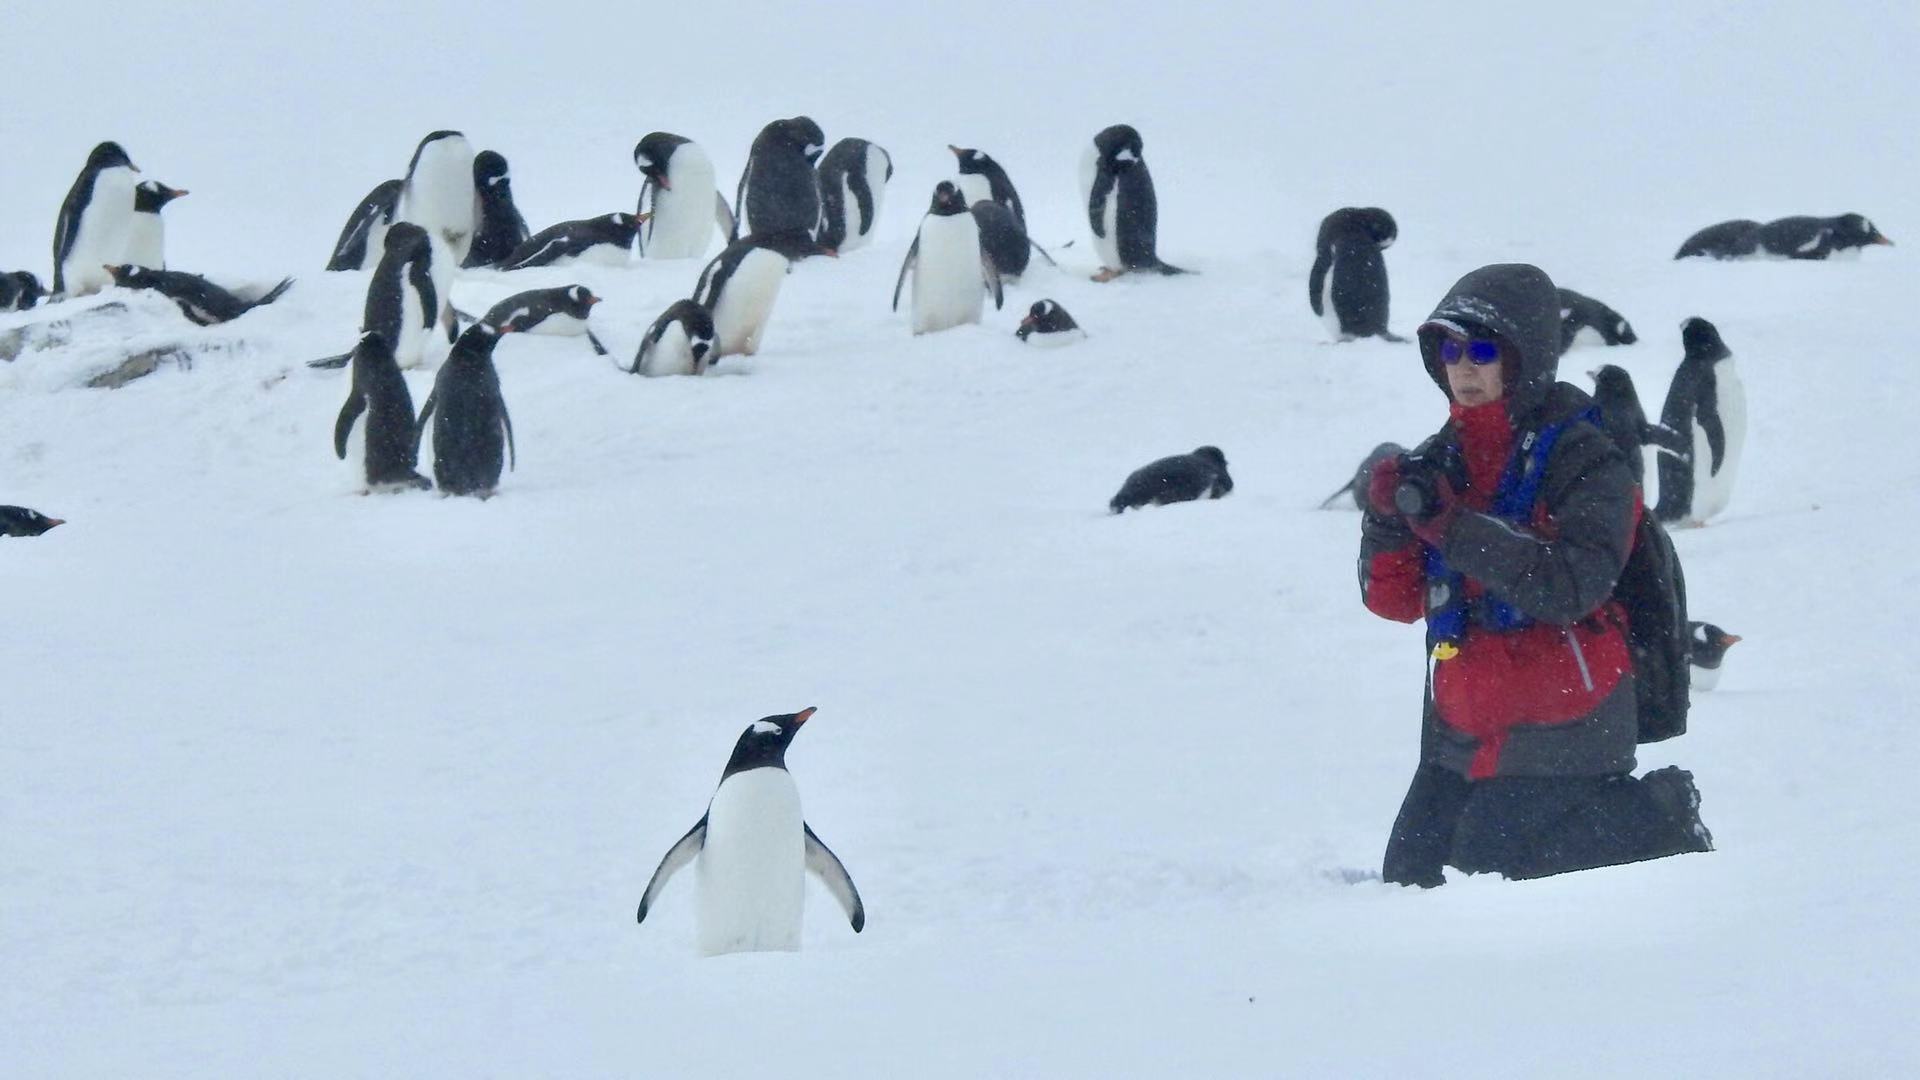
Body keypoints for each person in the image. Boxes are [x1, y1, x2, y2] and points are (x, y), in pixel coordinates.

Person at [1357, 263, 1713, 887]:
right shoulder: (1442, 458)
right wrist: (1389, 520)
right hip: (1461, 731)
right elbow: (1394, 600)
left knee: (1486, 873)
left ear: (1524, 357)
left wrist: (1449, 524)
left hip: (1569, 720)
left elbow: (1570, 587)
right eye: (1450, 348)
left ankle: (1655, 817)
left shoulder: (1586, 459)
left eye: (1483, 350)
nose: (1463, 368)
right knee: (1409, 879)